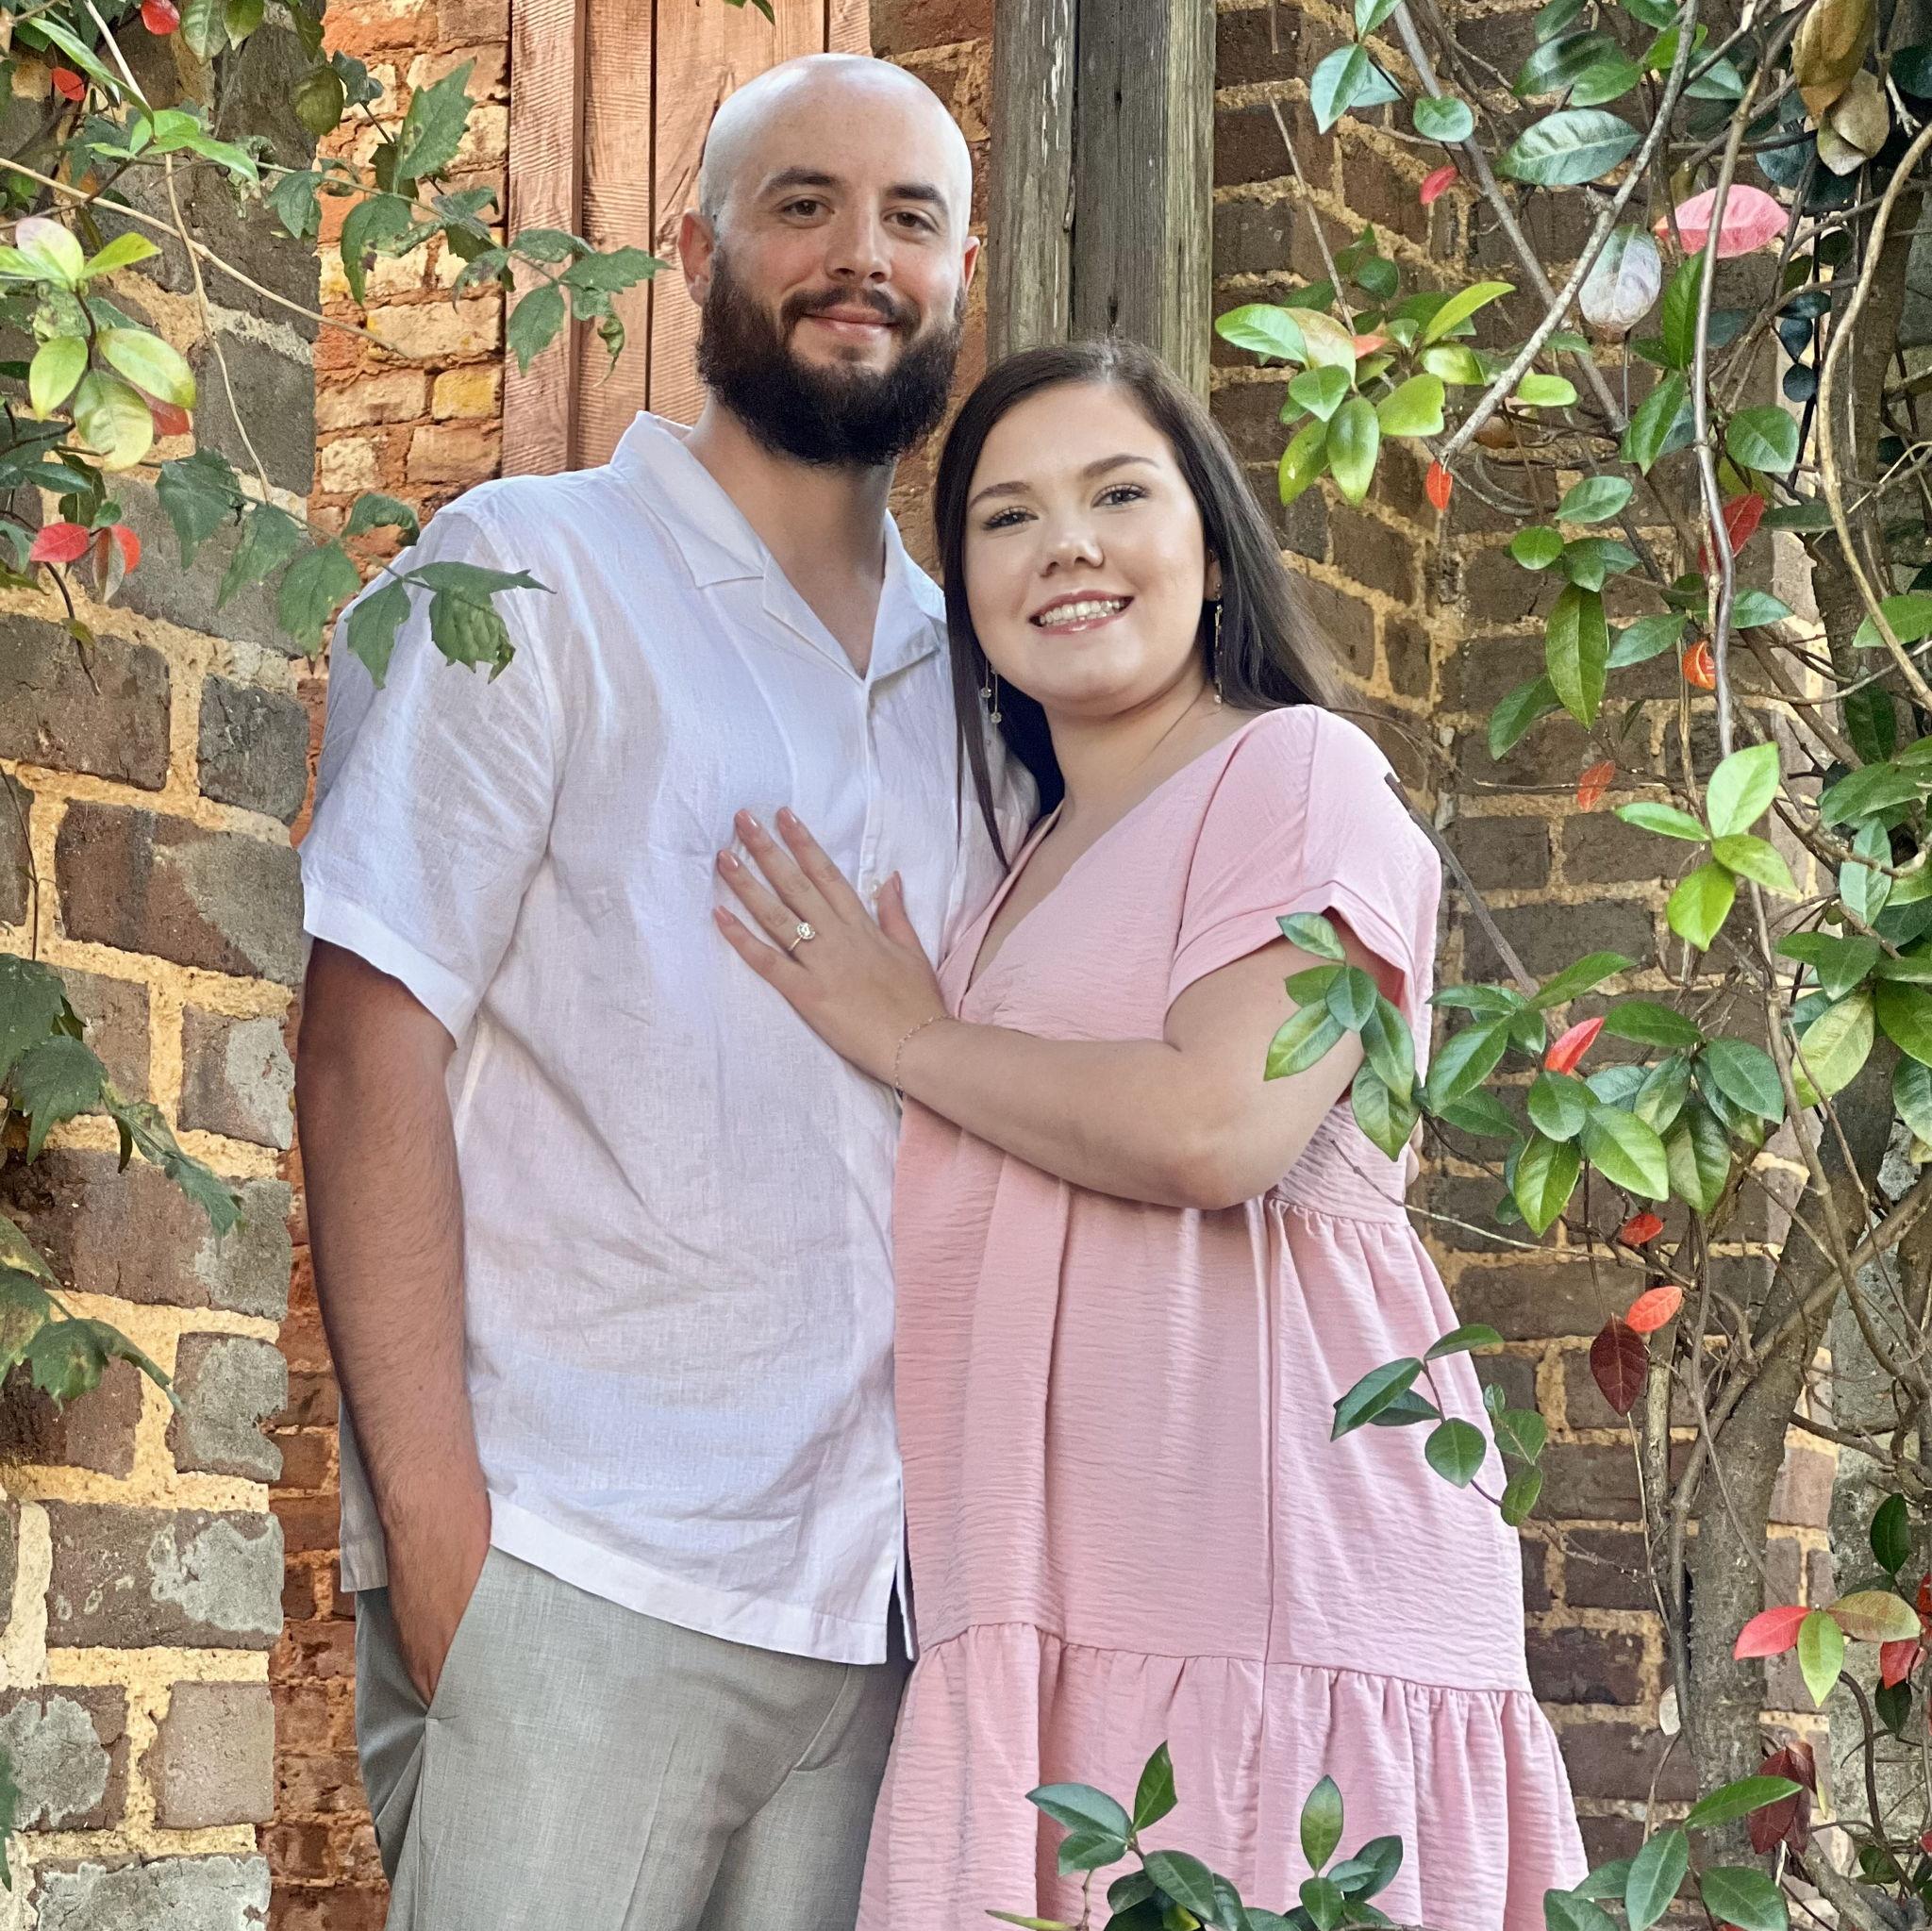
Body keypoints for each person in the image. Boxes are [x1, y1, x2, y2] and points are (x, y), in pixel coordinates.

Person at [715, 338, 1589, 1931]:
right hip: (1051, 1605)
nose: (1067, 546)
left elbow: (1217, 1122)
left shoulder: (1299, 771)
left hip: (1269, 1590)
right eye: (1007, 517)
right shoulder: (1020, 860)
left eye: (1119, 495)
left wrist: (911, 1038)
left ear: (1214, 547)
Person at [294, 53, 1018, 1931]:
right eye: (803, 206)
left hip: (883, 1613)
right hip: (580, 1568)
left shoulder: (981, 686)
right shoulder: (527, 574)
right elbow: (367, 1051)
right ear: (696, 254)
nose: (860, 257)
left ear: (962, 277)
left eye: (911, 218)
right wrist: (444, 1547)